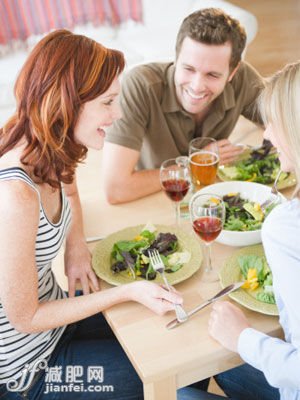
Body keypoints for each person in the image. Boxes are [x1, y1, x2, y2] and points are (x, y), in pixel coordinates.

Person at [0, 29, 185, 399]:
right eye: (107, 102)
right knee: (163, 373)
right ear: (68, 103)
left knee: (169, 342)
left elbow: (68, 186)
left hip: (58, 323)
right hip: (29, 373)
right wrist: (126, 292)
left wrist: (76, 247)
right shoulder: (15, 195)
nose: (117, 114)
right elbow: (25, 317)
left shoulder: (44, 148)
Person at [188, 61, 300, 400]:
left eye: (273, 124)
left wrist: (243, 338)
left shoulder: (286, 227)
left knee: (180, 391)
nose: (265, 135)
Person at [102, 8, 265, 204]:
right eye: (188, 69)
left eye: (212, 75)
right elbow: (116, 189)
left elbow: (288, 123)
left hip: (213, 197)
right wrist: (197, 163)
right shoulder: (138, 86)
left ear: (232, 73)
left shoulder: (243, 79)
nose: (196, 86)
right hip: (153, 198)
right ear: (176, 58)